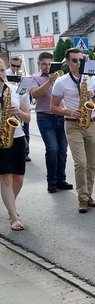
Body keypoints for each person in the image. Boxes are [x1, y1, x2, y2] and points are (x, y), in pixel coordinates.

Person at [50, 48, 95, 213]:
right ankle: (82, 198)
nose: (78, 63)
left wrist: (93, 97)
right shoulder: (61, 82)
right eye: (74, 60)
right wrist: (69, 111)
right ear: (67, 62)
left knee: (91, 164)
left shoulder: (92, 79)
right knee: (80, 163)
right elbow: (53, 107)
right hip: (73, 124)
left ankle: (89, 195)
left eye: (81, 60)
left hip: (92, 123)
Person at [30, 52, 74, 193]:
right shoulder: (35, 78)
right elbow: (35, 94)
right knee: (52, 149)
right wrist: (49, 81)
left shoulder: (61, 78)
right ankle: (52, 181)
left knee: (62, 150)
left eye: (50, 64)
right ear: (39, 64)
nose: (47, 67)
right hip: (45, 118)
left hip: (61, 116)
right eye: (44, 64)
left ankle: (61, 179)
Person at [0, 63, 31, 230]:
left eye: (2, 70)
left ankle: (9, 204)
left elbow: (28, 118)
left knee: (18, 178)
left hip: (16, 136)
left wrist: (17, 112)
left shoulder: (15, 90)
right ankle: (14, 217)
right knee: (6, 177)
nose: (1, 74)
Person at [6, 56, 30, 161]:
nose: (15, 68)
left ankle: (25, 152)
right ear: (9, 64)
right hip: (10, 108)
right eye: (13, 66)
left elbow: (25, 91)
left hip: (22, 106)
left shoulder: (25, 75)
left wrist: (22, 80)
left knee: (26, 131)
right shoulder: (5, 74)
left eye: (18, 66)